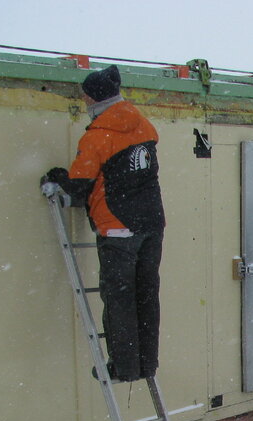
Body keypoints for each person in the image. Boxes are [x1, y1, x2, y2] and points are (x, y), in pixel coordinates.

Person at [42, 64, 165, 383]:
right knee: (146, 295)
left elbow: (80, 186)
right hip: (152, 224)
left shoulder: (98, 137)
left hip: (118, 227)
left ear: (91, 98)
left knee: (120, 298)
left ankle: (123, 367)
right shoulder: (145, 126)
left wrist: (58, 177)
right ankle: (146, 364)